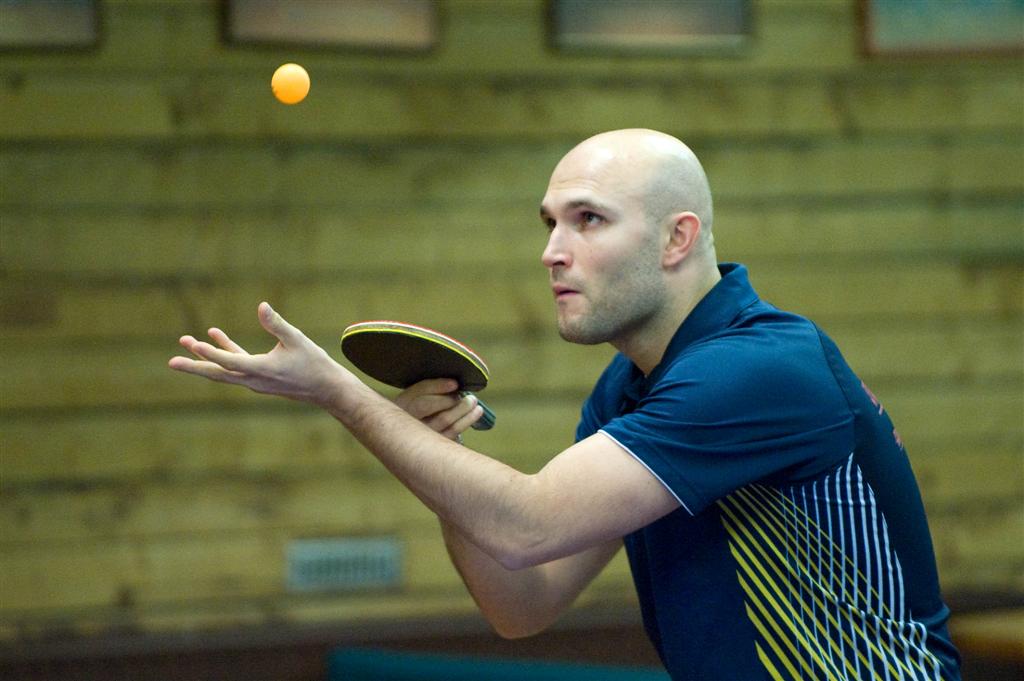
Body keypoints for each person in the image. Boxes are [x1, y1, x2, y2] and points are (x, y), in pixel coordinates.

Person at [169, 129, 961, 680]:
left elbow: (527, 526)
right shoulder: (629, 386)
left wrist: (338, 393)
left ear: (677, 238)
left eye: (588, 220)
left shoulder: (759, 370)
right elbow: (522, 601)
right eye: (549, 223)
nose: (552, 250)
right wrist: (442, 451)